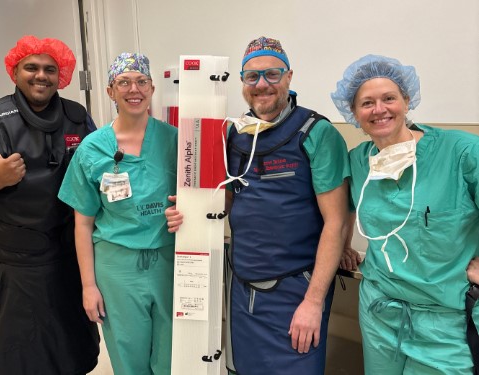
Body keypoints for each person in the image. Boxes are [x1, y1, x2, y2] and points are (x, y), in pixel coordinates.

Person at [166, 36, 350, 375]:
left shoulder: (316, 134)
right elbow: (229, 198)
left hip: (297, 292)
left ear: (289, 77)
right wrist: (188, 208)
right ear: (241, 83)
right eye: (252, 77)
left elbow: (336, 222)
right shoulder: (236, 135)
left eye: (272, 75)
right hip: (243, 288)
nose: (261, 85)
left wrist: (313, 302)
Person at [0, 35, 100, 374]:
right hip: (14, 269)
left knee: (72, 354)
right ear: (15, 71)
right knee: (12, 360)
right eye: (31, 67)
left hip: (70, 264)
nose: (41, 76)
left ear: (62, 75)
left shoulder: (78, 118)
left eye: (50, 69)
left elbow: (101, 171)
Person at [332, 54, 479, 374]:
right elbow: (344, 210)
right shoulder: (358, 161)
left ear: (407, 100)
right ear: (354, 113)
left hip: (446, 320)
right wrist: (344, 245)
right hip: (380, 312)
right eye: (366, 103)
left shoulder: (460, 152)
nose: (379, 109)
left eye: (389, 98)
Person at [58, 52, 177, 375]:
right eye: (123, 82)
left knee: (171, 356)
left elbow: (197, 200)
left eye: (141, 81)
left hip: (169, 263)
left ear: (152, 88)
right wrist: (88, 286)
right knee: (128, 357)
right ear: (110, 91)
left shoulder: (176, 141)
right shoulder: (92, 149)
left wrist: (185, 213)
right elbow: (82, 224)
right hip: (117, 269)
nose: (133, 89)